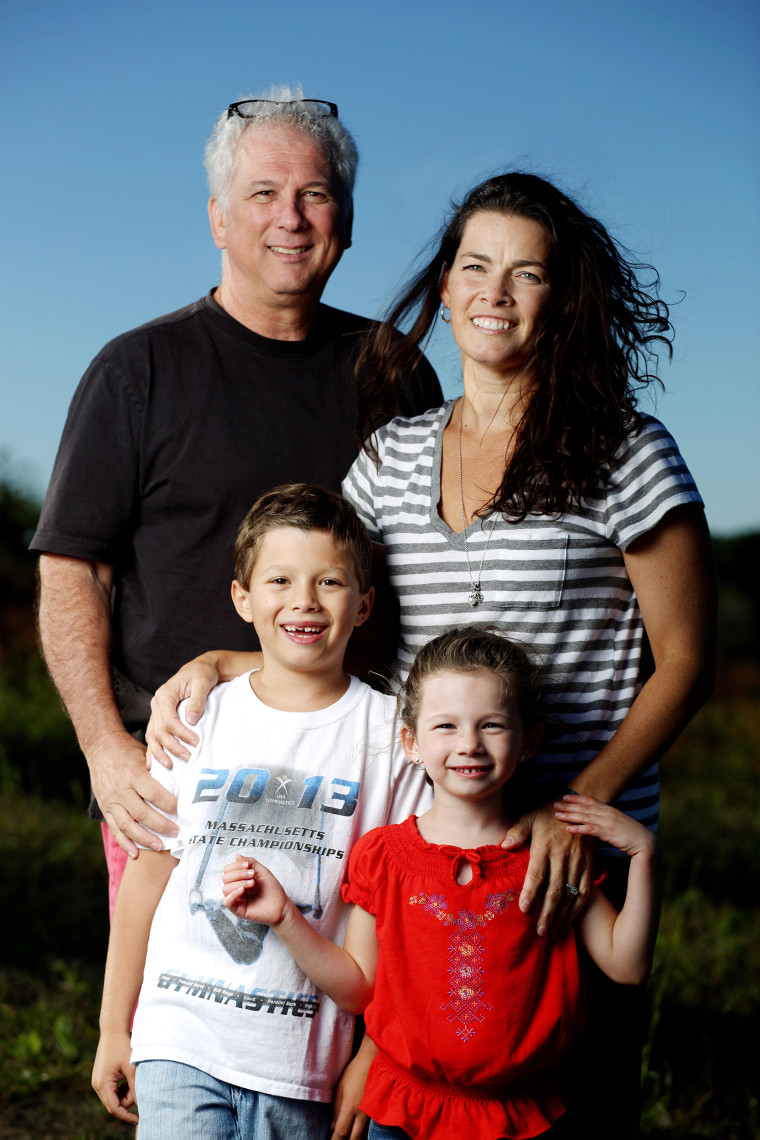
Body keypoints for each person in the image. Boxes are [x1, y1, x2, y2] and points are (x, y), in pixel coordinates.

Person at [147, 171, 716, 1134]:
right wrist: (217, 663)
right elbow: (326, 620)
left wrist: (575, 819)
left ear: (562, 299)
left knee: (559, 1107)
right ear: (444, 288)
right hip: (432, 860)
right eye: (475, 266)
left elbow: (690, 659)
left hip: (558, 874)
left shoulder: (629, 452)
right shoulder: (391, 455)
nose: (496, 291)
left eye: (526, 273)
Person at [30, 85, 441, 911]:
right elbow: (73, 570)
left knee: (336, 1030)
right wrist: (106, 749)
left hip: (352, 779)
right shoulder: (135, 372)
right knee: (162, 1023)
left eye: (315, 194)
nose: (290, 218)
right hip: (175, 779)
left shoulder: (395, 373)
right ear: (219, 219)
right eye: (263, 194)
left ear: (348, 220)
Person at [221, 627, 661, 1140]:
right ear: (410, 742)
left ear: (529, 740)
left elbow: (627, 966)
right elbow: (359, 989)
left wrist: (644, 855)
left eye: (492, 725)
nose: (468, 744)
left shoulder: (550, 859)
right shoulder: (384, 856)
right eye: (446, 725)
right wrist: (283, 918)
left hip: (520, 1118)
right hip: (400, 1115)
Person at [91, 484, 431, 1139]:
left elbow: (401, 923)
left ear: (363, 606)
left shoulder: (392, 738)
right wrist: (114, 1025)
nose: (304, 600)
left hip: (301, 1059)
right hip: (178, 1037)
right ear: (243, 598)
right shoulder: (198, 714)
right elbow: (146, 879)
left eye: (329, 581)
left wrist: (374, 1053)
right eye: (280, 579)